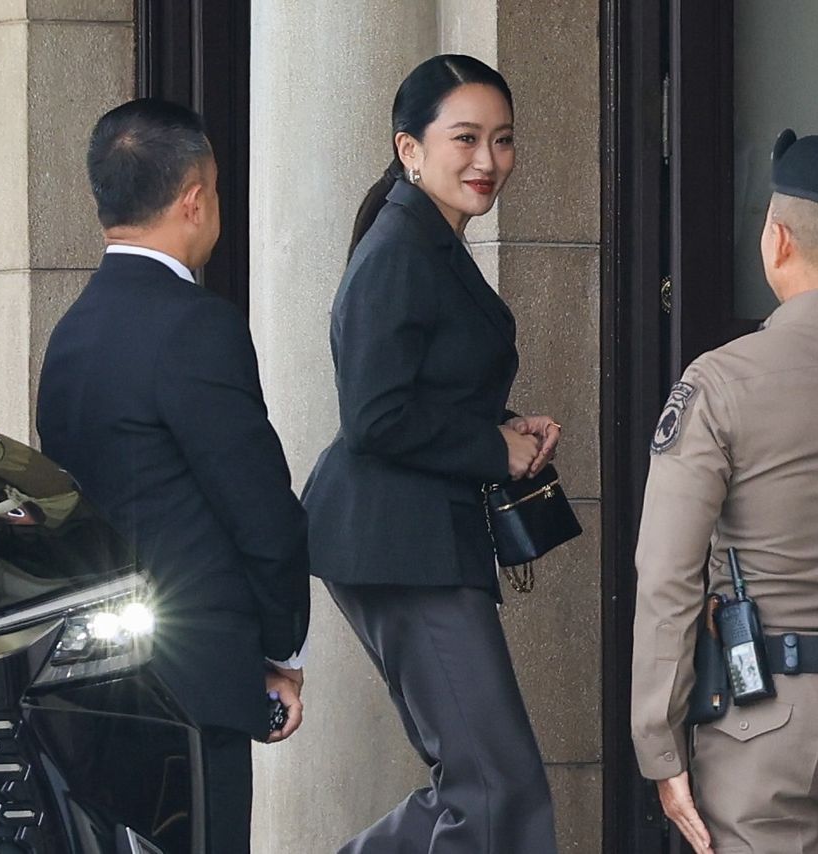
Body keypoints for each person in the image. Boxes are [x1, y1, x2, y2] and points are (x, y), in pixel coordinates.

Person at [631, 130, 818, 854]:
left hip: (758, 724)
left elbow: (667, 574)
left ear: (778, 238)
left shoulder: (721, 382)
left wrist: (661, 746)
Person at [36, 98, 310, 854]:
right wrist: (282, 653)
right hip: (196, 680)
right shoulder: (197, 324)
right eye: (214, 190)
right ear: (194, 200)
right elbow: (262, 511)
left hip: (94, 682)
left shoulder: (70, 333)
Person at [303, 55, 561, 853]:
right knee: (494, 787)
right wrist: (491, 446)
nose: (488, 160)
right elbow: (374, 416)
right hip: (398, 542)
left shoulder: (428, 241)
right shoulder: (399, 249)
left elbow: (420, 390)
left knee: (488, 786)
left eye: (503, 139)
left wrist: (506, 428)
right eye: (466, 138)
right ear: (409, 148)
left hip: (416, 539)